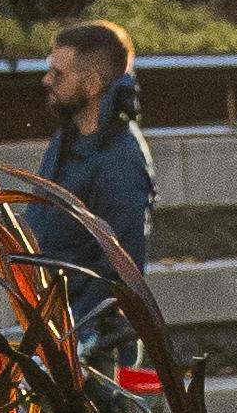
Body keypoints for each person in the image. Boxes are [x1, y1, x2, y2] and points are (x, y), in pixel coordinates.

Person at [25, 23, 156, 348]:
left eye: (58, 75)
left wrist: (82, 340)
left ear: (93, 84)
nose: (47, 81)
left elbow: (122, 271)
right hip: (53, 327)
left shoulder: (121, 159)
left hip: (88, 345)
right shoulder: (66, 140)